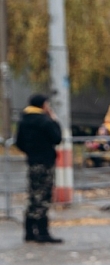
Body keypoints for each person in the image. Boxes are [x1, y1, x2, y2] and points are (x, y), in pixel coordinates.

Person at [14, 94, 63, 244]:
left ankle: (29, 230)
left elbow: (19, 142)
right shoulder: (45, 121)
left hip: (33, 161)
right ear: (43, 105)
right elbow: (57, 138)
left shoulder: (24, 120)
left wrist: (30, 151)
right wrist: (54, 119)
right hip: (45, 161)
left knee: (33, 195)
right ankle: (42, 231)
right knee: (44, 196)